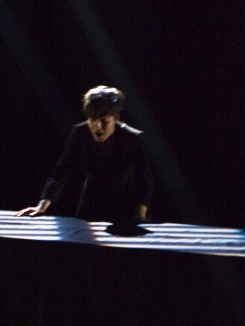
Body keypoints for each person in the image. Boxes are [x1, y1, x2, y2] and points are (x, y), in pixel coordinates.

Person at [16, 85, 153, 232]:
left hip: (126, 208)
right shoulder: (80, 133)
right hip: (91, 206)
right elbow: (61, 171)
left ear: (115, 119)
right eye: (93, 120)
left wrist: (140, 214)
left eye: (104, 120)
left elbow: (143, 179)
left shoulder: (132, 138)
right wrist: (41, 206)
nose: (98, 127)